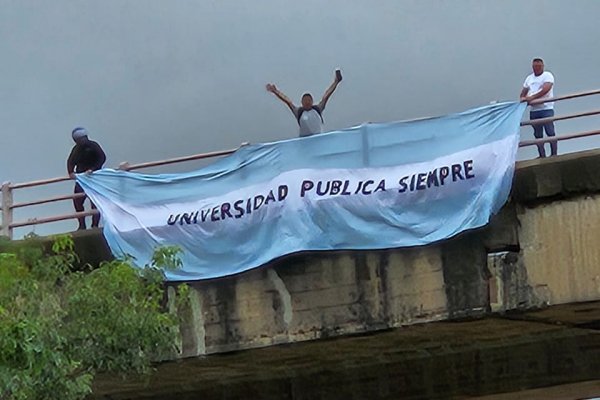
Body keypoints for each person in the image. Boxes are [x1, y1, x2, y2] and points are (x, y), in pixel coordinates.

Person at [266, 69, 342, 137]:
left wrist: (336, 82)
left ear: (312, 101)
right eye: (305, 101)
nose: (307, 102)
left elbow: (327, 95)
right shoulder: (299, 112)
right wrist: (276, 92)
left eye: (309, 100)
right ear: (302, 102)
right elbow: (287, 101)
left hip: (318, 138)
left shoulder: (317, 109)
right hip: (304, 141)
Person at [66, 127, 106, 230]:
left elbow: (102, 158)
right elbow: (70, 162)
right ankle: (82, 225)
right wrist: (71, 172)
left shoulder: (93, 146)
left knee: (95, 202)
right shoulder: (76, 149)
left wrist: (93, 169)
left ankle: (95, 225)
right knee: (77, 201)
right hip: (82, 179)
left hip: (94, 177)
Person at [520, 58, 557, 158]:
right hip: (534, 110)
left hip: (546, 108)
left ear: (542, 66)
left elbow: (546, 89)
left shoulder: (547, 75)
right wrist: (524, 98)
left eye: (539, 66)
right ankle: (542, 155)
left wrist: (532, 97)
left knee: (550, 132)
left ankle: (554, 154)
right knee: (537, 134)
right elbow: (523, 92)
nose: (537, 68)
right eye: (535, 66)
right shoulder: (529, 78)